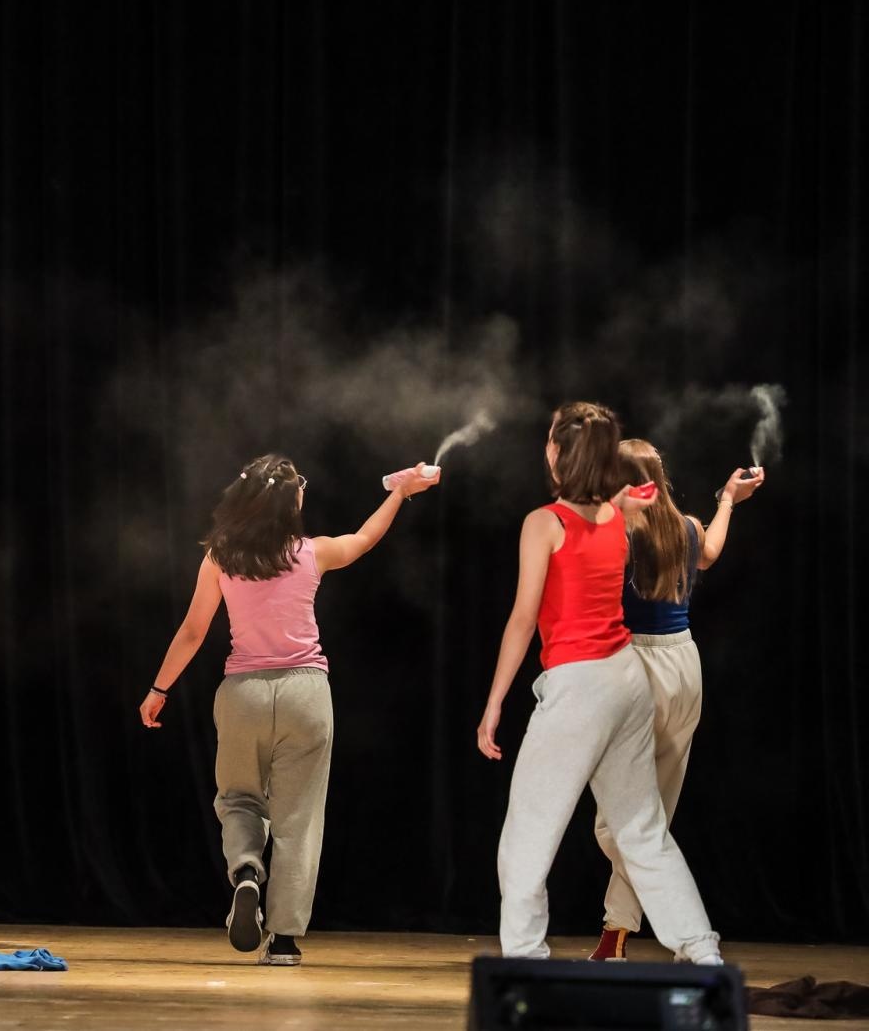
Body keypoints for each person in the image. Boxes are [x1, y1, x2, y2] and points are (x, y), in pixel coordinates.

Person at [138, 454, 439, 966]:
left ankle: (247, 872)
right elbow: (364, 538)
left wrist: (158, 689)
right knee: (300, 819)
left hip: (243, 694)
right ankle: (283, 942)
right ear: (290, 502)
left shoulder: (220, 556)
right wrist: (400, 493)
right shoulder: (311, 553)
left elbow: (192, 632)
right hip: (306, 695)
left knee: (237, 800)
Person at [475, 402, 722, 964]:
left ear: (557, 455)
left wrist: (493, 707)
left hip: (580, 689)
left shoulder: (545, 523)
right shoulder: (619, 517)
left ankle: (525, 960)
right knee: (644, 831)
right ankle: (700, 950)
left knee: (527, 837)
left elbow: (522, 619)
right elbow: (616, 505)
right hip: (627, 681)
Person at [589, 442, 763, 961]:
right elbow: (709, 553)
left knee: (617, 822)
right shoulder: (685, 525)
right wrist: (729, 499)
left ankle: (674, 920)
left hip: (636, 671)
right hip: (684, 668)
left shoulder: (620, 532)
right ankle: (615, 936)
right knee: (653, 813)